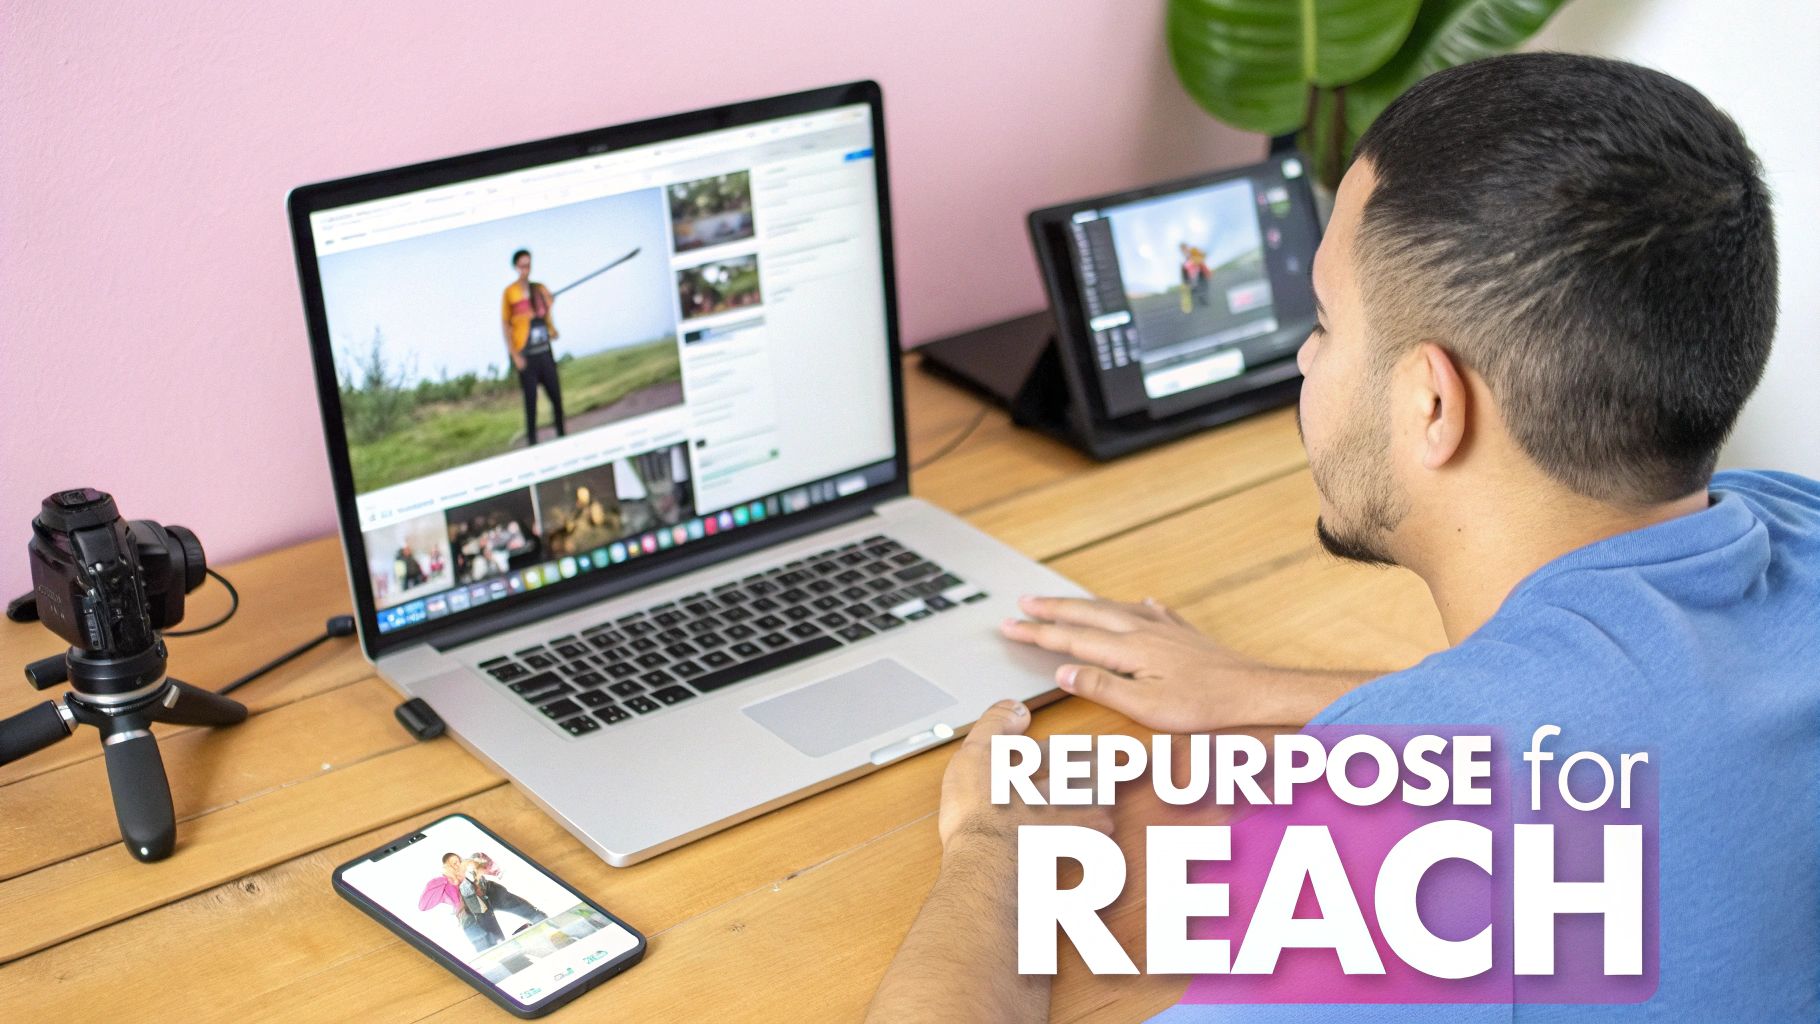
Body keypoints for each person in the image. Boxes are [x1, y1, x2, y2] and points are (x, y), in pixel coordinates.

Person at [867, 53, 1818, 1023]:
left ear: (1429, 403)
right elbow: (1605, 719)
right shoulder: (1789, 523)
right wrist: (1263, 691)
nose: (1303, 356)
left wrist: (1001, 845)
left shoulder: (1430, 843)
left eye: (1324, 324)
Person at [502, 248, 565, 445]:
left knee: (556, 398)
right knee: (531, 403)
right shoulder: (510, 293)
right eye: (521, 265)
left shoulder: (539, 288)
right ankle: (533, 443)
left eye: (528, 265)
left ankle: (563, 437)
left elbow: (547, 307)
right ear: (515, 267)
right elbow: (506, 325)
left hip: (544, 352)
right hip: (526, 355)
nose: (525, 269)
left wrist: (549, 301)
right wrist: (515, 356)